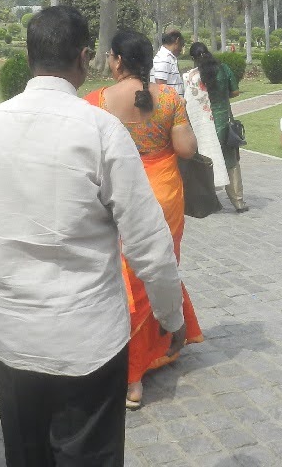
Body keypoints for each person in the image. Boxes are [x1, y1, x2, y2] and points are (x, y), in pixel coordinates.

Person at [0, 7, 187, 466]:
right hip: (87, 341)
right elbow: (148, 244)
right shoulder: (99, 129)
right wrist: (170, 317)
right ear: (84, 58)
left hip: (13, 336)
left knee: (26, 456)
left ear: (26, 57)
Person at [86, 31, 204, 410]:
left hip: (117, 193)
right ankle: (154, 351)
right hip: (163, 194)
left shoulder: (97, 101)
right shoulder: (169, 98)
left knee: (123, 278)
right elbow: (186, 149)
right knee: (155, 269)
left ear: (117, 61)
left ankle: (130, 374)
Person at [187, 42, 249, 212]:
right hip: (224, 123)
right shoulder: (224, 69)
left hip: (204, 126)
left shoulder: (192, 77)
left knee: (206, 162)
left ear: (193, 59)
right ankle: (238, 201)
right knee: (231, 162)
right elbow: (235, 92)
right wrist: (222, 96)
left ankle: (210, 201)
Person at [151, 29, 185, 95]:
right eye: (181, 45)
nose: (181, 49)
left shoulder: (168, 58)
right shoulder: (163, 58)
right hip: (168, 104)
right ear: (177, 41)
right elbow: (160, 87)